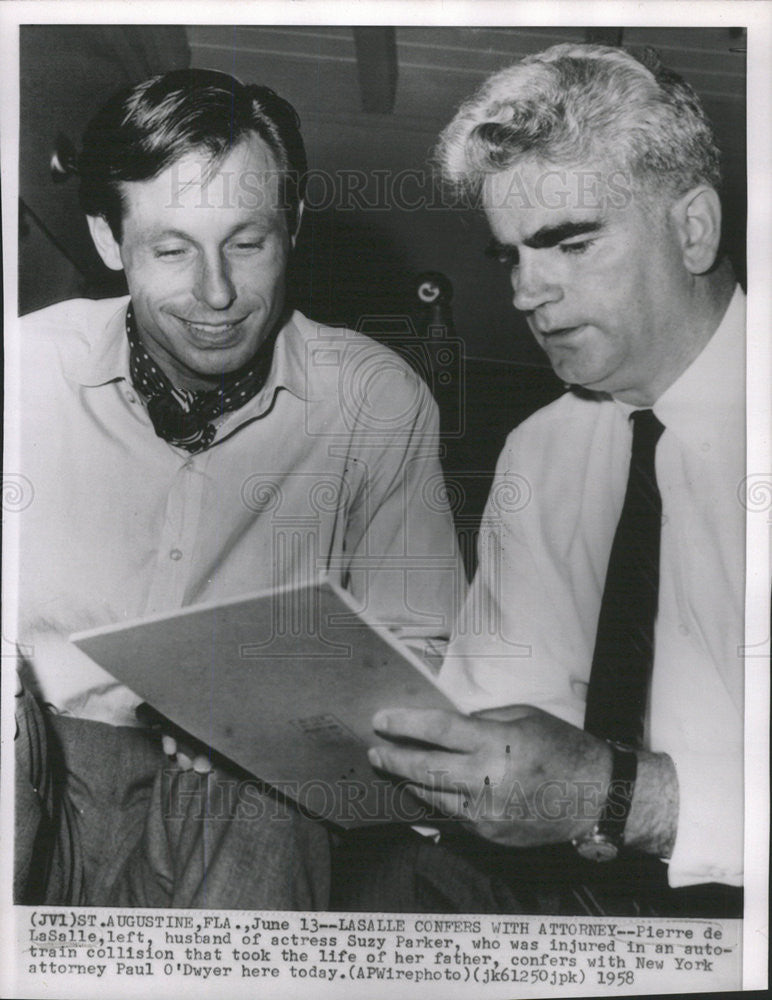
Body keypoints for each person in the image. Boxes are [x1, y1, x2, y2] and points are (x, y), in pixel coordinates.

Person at [10, 68, 460, 908]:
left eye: (246, 244)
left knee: (267, 785)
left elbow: (422, 661)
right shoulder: (23, 369)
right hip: (33, 766)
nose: (216, 295)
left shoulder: (378, 399)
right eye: (172, 249)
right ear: (109, 241)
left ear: (291, 224)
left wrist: (272, 712)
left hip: (238, 797)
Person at [356, 43, 745, 916]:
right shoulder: (537, 452)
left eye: (567, 243)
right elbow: (501, 710)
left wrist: (617, 795)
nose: (528, 292)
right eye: (509, 259)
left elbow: (587, 787)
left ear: (693, 228)